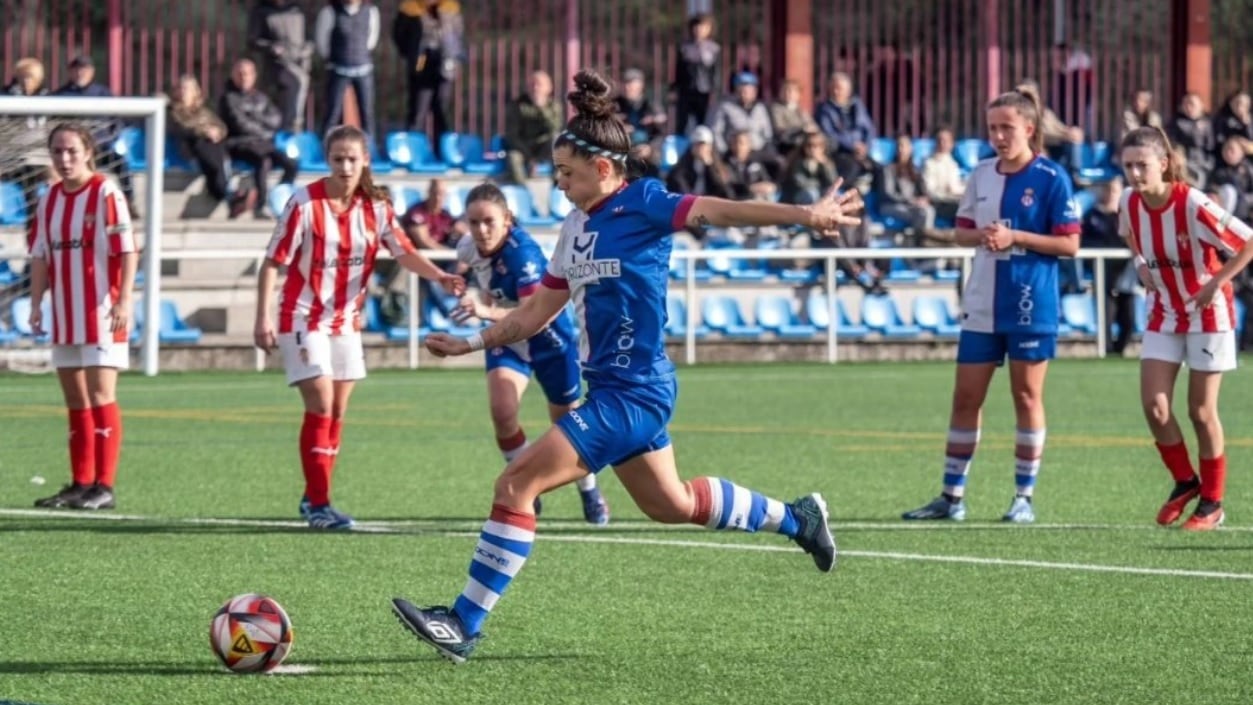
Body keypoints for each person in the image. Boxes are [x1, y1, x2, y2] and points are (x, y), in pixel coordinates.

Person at [390, 68, 860, 663]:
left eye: (567, 172)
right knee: (673, 505)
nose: (558, 184)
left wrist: (804, 216)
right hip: (617, 388)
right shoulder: (574, 228)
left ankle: (463, 622)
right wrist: (472, 344)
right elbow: (537, 310)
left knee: (515, 482)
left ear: (604, 169)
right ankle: (798, 519)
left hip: (633, 395)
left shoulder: (642, 202)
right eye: (556, 173)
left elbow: (721, 209)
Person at [254, 125, 464, 530]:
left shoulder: (377, 207)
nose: (346, 166)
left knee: (338, 411)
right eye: (338, 159)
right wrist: (262, 317)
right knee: (320, 404)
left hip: (346, 320)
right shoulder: (304, 203)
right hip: (302, 315)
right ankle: (319, 505)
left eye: (353, 159)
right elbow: (272, 263)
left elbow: (404, 252)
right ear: (328, 161)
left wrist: (439, 276)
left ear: (365, 159)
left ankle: (314, 493)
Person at [902, 89, 1081, 524]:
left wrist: (1016, 237)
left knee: (1025, 395)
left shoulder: (1052, 177)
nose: (999, 136)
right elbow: (962, 232)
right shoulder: (981, 174)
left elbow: (1070, 243)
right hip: (982, 301)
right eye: (992, 128)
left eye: (1007, 127)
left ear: (1029, 129)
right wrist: (983, 233)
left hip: (1029, 301)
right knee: (965, 397)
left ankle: (1024, 497)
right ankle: (951, 497)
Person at [449, 183, 609, 525]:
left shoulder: (523, 255)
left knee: (567, 422)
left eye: (489, 221)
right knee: (502, 411)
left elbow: (529, 314)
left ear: (507, 219)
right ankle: (523, 487)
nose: (481, 230)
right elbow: (466, 270)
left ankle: (589, 490)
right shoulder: (468, 246)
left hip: (549, 339)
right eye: (474, 222)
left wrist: (482, 310)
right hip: (508, 340)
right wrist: (457, 284)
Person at [1118, 126, 1253, 531]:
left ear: (1163, 164)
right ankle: (1184, 482)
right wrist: (1141, 264)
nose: (1135, 174)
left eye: (1142, 165)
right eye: (1128, 166)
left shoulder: (1192, 203)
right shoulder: (1128, 201)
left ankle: (1212, 503)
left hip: (1208, 313)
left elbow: (1248, 241)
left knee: (1200, 410)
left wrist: (1215, 282)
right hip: (1165, 311)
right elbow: (1130, 235)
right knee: (1155, 407)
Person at [27, 123, 137, 511]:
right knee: (74, 398)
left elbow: (127, 250)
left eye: (72, 150)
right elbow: (40, 255)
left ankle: (104, 485)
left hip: (102, 311)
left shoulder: (106, 192)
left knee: (101, 394)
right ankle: (80, 482)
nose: (65, 158)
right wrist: (38, 303)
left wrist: (125, 301)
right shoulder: (50, 199)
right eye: (57, 151)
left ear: (88, 151)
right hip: (65, 312)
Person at [219, 58, 299, 220]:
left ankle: (279, 198)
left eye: (247, 74)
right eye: (240, 74)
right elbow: (240, 125)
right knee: (263, 161)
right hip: (240, 144)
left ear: (254, 76)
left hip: (264, 144)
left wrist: (254, 116)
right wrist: (264, 128)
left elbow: (276, 119)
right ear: (233, 75)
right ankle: (261, 205)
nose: (244, 77)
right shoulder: (228, 99)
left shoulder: (261, 98)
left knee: (291, 163)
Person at [393, 0, 463, 157]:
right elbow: (399, 35)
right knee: (418, 111)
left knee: (442, 111)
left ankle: (443, 153)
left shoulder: (451, 8)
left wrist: (452, 55)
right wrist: (412, 53)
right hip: (421, 64)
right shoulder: (409, 8)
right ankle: (412, 153)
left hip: (444, 64)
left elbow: (457, 34)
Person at [316, 0, 380, 140]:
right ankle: (326, 146)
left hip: (363, 69)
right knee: (333, 111)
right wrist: (333, 57)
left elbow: (371, 39)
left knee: (367, 112)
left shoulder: (370, 11)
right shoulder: (329, 12)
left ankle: (369, 148)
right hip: (338, 69)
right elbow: (322, 40)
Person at [249, 0, 315, 133]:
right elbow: (252, 40)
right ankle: (287, 127)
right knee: (291, 86)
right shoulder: (261, 10)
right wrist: (271, 47)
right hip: (278, 63)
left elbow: (309, 35)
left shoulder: (298, 9)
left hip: (300, 62)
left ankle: (295, 126)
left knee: (299, 90)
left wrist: (308, 48)